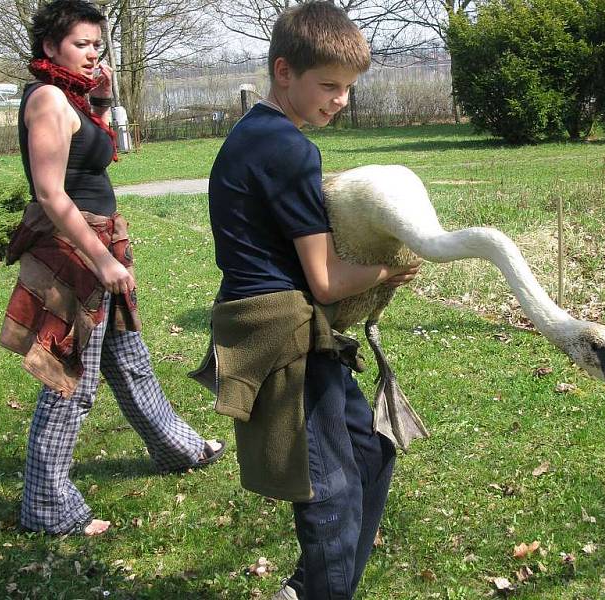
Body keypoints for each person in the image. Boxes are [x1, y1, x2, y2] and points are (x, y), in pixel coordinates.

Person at [200, 2, 420, 597]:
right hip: (282, 335)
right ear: (282, 71)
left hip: (295, 327)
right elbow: (325, 281)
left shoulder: (254, 132)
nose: (339, 100)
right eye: (328, 85)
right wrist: (388, 269)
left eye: (348, 88)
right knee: (329, 491)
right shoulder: (291, 150)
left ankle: (312, 588)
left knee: (371, 453)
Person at [0, 0, 225, 537]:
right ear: (51, 46)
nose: (92, 53)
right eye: (81, 44)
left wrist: (98, 95)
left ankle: (179, 448)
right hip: (76, 255)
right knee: (69, 379)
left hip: (99, 245)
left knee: (128, 358)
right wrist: (100, 259)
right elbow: (51, 194)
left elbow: (91, 148)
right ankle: (47, 506)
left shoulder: (70, 96)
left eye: (98, 45)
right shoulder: (50, 99)